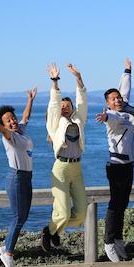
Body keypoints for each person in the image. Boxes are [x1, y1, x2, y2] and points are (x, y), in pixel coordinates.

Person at [0, 87, 37, 267]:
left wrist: (30, 99)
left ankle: (6, 247)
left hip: (26, 178)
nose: (13, 121)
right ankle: (8, 254)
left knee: (23, 216)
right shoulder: (10, 137)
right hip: (16, 178)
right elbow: (3, 132)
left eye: (12, 117)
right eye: (8, 120)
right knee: (17, 217)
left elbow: (26, 116)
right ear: (4, 125)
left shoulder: (20, 129)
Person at [95, 58, 134, 262]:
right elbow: (113, 118)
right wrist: (106, 117)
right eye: (113, 99)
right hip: (116, 167)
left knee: (123, 204)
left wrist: (127, 71)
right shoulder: (114, 116)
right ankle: (108, 243)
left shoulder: (125, 109)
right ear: (107, 104)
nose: (118, 100)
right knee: (115, 205)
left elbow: (125, 89)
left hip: (129, 165)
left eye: (118, 98)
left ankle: (118, 240)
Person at [41, 63, 88, 252]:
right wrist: (55, 82)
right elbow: (53, 104)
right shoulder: (55, 123)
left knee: (82, 214)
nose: (65, 108)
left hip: (77, 169)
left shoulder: (79, 120)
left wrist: (78, 77)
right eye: (63, 106)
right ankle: (50, 231)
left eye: (68, 106)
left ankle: (53, 231)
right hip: (60, 168)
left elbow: (82, 101)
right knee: (63, 212)